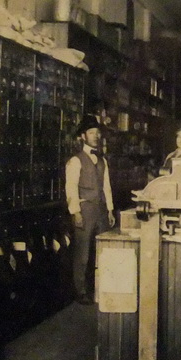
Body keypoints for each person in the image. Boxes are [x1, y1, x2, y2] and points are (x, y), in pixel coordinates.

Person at [65, 114, 115, 305]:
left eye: (97, 133)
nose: (95, 136)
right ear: (83, 136)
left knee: (102, 252)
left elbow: (107, 186)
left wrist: (110, 210)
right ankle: (81, 291)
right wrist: (75, 212)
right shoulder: (75, 161)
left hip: (101, 210)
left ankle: (100, 288)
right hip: (84, 209)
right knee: (83, 254)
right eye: (91, 132)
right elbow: (70, 188)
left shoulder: (102, 161)